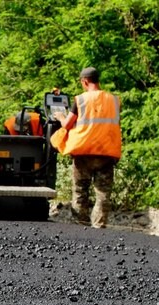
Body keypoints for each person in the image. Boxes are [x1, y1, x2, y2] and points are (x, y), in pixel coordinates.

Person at [52, 67, 122, 228]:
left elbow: (68, 124)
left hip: (83, 152)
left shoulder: (81, 100)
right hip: (106, 153)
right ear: (98, 80)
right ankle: (99, 227)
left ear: (84, 81)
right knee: (103, 194)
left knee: (80, 191)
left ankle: (80, 227)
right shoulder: (114, 100)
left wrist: (61, 116)